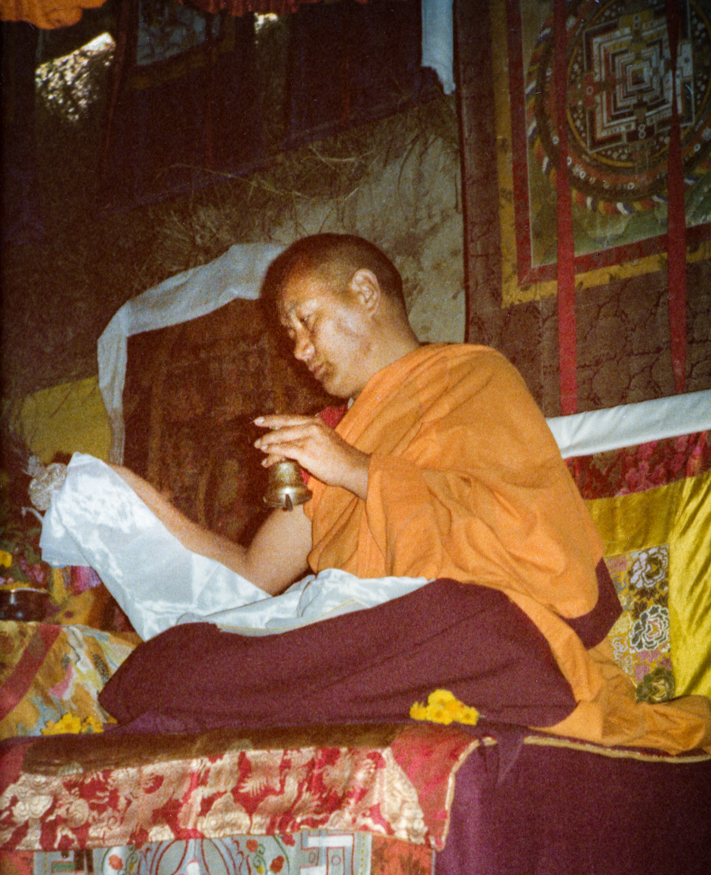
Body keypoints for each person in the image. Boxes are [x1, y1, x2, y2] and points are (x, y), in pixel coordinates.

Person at [106, 233, 710, 753]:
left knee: (466, 621)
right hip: (369, 641)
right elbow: (253, 574)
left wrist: (356, 469)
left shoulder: (475, 378)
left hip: (469, 636)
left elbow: (544, 549)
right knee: (164, 665)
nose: (299, 350)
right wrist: (144, 506)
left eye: (306, 322)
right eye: (289, 334)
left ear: (365, 294)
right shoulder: (337, 435)